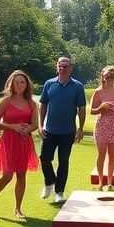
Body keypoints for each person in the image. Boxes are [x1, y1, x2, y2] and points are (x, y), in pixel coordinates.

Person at [0, 70, 39, 220]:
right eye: (16, 82)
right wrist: (13, 127)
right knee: (7, 175)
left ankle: (18, 209)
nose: (19, 85)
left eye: (22, 82)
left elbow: (35, 124)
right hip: (8, 140)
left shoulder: (32, 104)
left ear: (27, 84)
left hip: (24, 141)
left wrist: (27, 129)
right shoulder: (6, 101)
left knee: (21, 175)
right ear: (11, 84)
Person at [39, 55, 86, 204]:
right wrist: (40, 125)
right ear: (57, 67)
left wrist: (80, 129)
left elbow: (82, 108)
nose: (62, 68)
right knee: (44, 158)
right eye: (60, 65)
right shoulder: (49, 84)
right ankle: (49, 181)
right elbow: (43, 105)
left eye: (66, 66)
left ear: (70, 68)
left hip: (68, 131)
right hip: (50, 130)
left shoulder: (77, 86)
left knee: (63, 161)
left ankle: (59, 192)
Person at [90, 65, 114, 191]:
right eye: (107, 76)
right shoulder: (98, 92)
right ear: (103, 76)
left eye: (112, 76)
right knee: (101, 154)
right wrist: (101, 107)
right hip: (102, 126)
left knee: (113, 155)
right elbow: (92, 111)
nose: (110, 79)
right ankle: (101, 182)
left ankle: (110, 182)